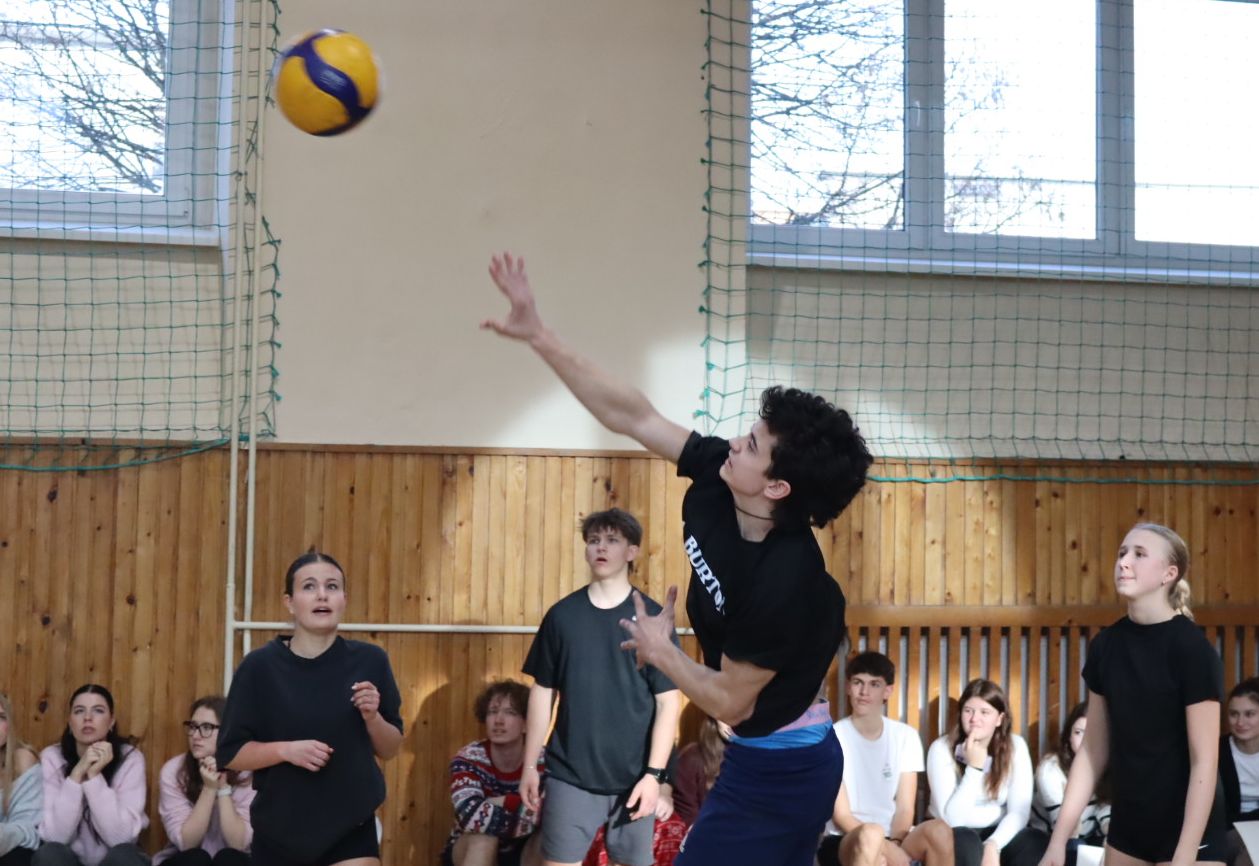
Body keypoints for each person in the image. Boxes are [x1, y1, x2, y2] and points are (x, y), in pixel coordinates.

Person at [484, 252, 871, 866]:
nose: (735, 443)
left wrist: (663, 652)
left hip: (788, 769)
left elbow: (731, 701)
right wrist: (540, 336)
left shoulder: (788, 580)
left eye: (751, 445)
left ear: (776, 488)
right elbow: (633, 415)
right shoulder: (721, 479)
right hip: (752, 751)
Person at [1038, 524, 1228, 866]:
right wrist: (1058, 840)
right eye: (1122, 553)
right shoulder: (1106, 646)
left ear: (1169, 574)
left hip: (1189, 828)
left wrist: (1185, 853)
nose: (1124, 562)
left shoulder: (1192, 650)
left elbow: (1205, 760)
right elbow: (1093, 751)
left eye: (1140, 554)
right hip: (1129, 826)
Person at [217, 551, 403, 866]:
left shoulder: (371, 660)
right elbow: (231, 753)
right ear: (289, 602)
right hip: (279, 830)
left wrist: (373, 718)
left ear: (344, 599)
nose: (322, 595)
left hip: (351, 827)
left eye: (332, 586)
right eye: (309, 586)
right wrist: (286, 751)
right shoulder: (259, 667)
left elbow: (391, 748)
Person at [519, 508, 682, 866]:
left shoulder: (653, 619)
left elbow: (669, 703)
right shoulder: (562, 616)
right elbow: (543, 692)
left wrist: (655, 776)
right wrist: (530, 766)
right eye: (594, 540)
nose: (601, 547)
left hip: (635, 776)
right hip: (570, 774)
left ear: (632, 551)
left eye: (612, 540)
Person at [819, 651, 950, 866]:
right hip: (844, 837)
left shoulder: (906, 736)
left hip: (895, 836)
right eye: (858, 682)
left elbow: (905, 807)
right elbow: (841, 815)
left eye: (874, 684)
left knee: (939, 830)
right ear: (848, 687)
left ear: (887, 691)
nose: (864, 692)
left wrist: (895, 843)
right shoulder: (831, 738)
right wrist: (888, 850)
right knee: (871, 834)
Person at [913, 678, 1032, 866]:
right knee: (967, 841)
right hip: (954, 833)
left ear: (999, 719)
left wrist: (993, 844)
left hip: (997, 832)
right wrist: (975, 769)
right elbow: (952, 819)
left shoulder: (1016, 746)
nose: (974, 719)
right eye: (968, 711)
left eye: (984, 712)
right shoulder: (941, 748)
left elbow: (1019, 812)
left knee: (1033, 841)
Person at [33, 684, 149, 866]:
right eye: (79, 711)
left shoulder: (130, 758)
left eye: (98, 710)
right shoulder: (52, 757)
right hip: (68, 861)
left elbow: (121, 838)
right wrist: (76, 775)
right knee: (49, 853)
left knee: (125, 856)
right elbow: (55, 837)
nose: (87, 718)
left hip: (113, 861)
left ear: (111, 722)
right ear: (70, 722)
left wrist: (94, 776)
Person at [441, 680, 542, 866]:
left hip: (525, 848)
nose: (498, 721)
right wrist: (519, 807)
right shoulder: (468, 758)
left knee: (550, 838)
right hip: (469, 845)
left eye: (510, 712)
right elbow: (470, 815)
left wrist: (497, 802)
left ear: (527, 723)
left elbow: (551, 813)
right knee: (484, 837)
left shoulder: (543, 761)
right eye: (492, 712)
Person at [1004, 702, 1109, 866]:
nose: (1085, 740)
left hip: (1088, 836)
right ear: (1068, 735)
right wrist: (1073, 797)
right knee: (1074, 847)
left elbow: (1107, 815)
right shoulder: (1051, 768)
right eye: (1078, 732)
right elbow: (1064, 828)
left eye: (1092, 733)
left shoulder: (1108, 767)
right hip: (1049, 836)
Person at [154, 696, 254, 866]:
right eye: (193, 727)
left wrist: (222, 787)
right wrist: (209, 789)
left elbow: (239, 843)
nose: (195, 735)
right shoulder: (174, 771)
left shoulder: (248, 772)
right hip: (186, 860)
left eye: (207, 728)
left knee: (230, 859)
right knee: (196, 859)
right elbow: (187, 843)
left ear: (228, 732)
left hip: (233, 859)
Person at [1220, 677, 1259, 866]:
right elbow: (1217, 812)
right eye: (1234, 714)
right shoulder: (1216, 752)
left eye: (1249, 714)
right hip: (1226, 832)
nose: (1240, 722)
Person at [0, 692, 40, 866]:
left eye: (1, 717)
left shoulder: (21, 759)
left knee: (19, 854)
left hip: (12, 852)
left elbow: (28, 828)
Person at [669, 718, 728, 828]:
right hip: (705, 833)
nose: (732, 722)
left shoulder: (754, 756)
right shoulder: (693, 757)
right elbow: (687, 813)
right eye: (726, 716)